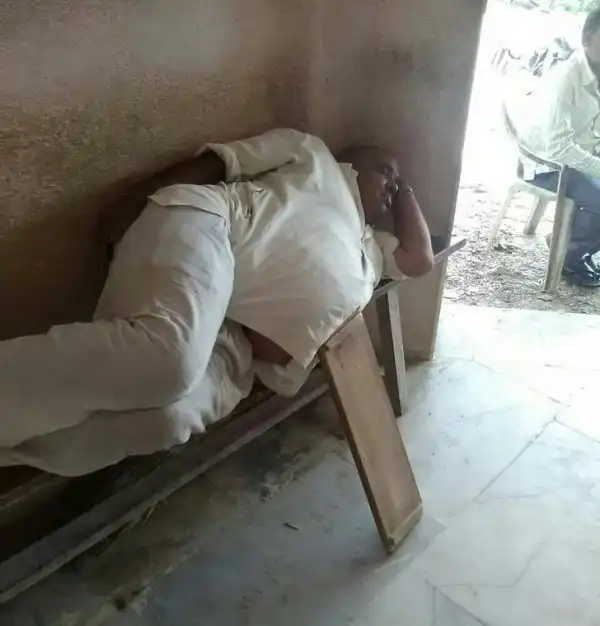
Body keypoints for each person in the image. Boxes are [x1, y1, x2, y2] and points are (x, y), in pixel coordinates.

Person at [0, 129, 433, 475]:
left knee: (167, 420)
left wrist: (404, 190)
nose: (392, 185)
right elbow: (221, 161)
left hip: (237, 345)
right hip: (212, 231)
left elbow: (420, 260)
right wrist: (131, 201)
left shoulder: (373, 249)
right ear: (350, 162)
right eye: (385, 171)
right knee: (167, 359)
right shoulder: (314, 154)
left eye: (397, 182)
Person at [511, 9, 600, 287]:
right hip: (546, 164)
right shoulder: (567, 79)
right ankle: (570, 253)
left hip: (575, 158)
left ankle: (572, 244)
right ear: (587, 39)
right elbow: (559, 148)